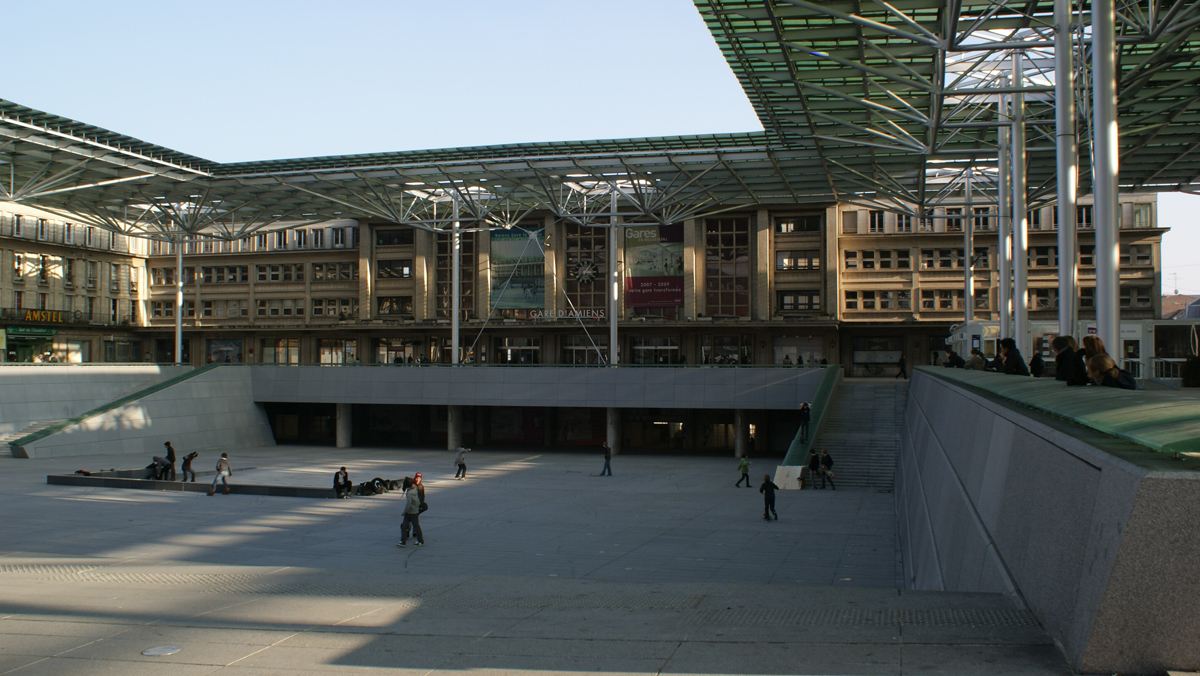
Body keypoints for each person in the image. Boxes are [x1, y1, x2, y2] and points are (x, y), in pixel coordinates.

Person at [397, 477, 425, 547]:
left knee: (412, 526)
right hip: (414, 511)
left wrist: (404, 512)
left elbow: (408, 504)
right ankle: (404, 541)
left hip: (411, 512)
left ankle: (419, 540)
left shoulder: (410, 493)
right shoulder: (414, 490)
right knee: (408, 526)